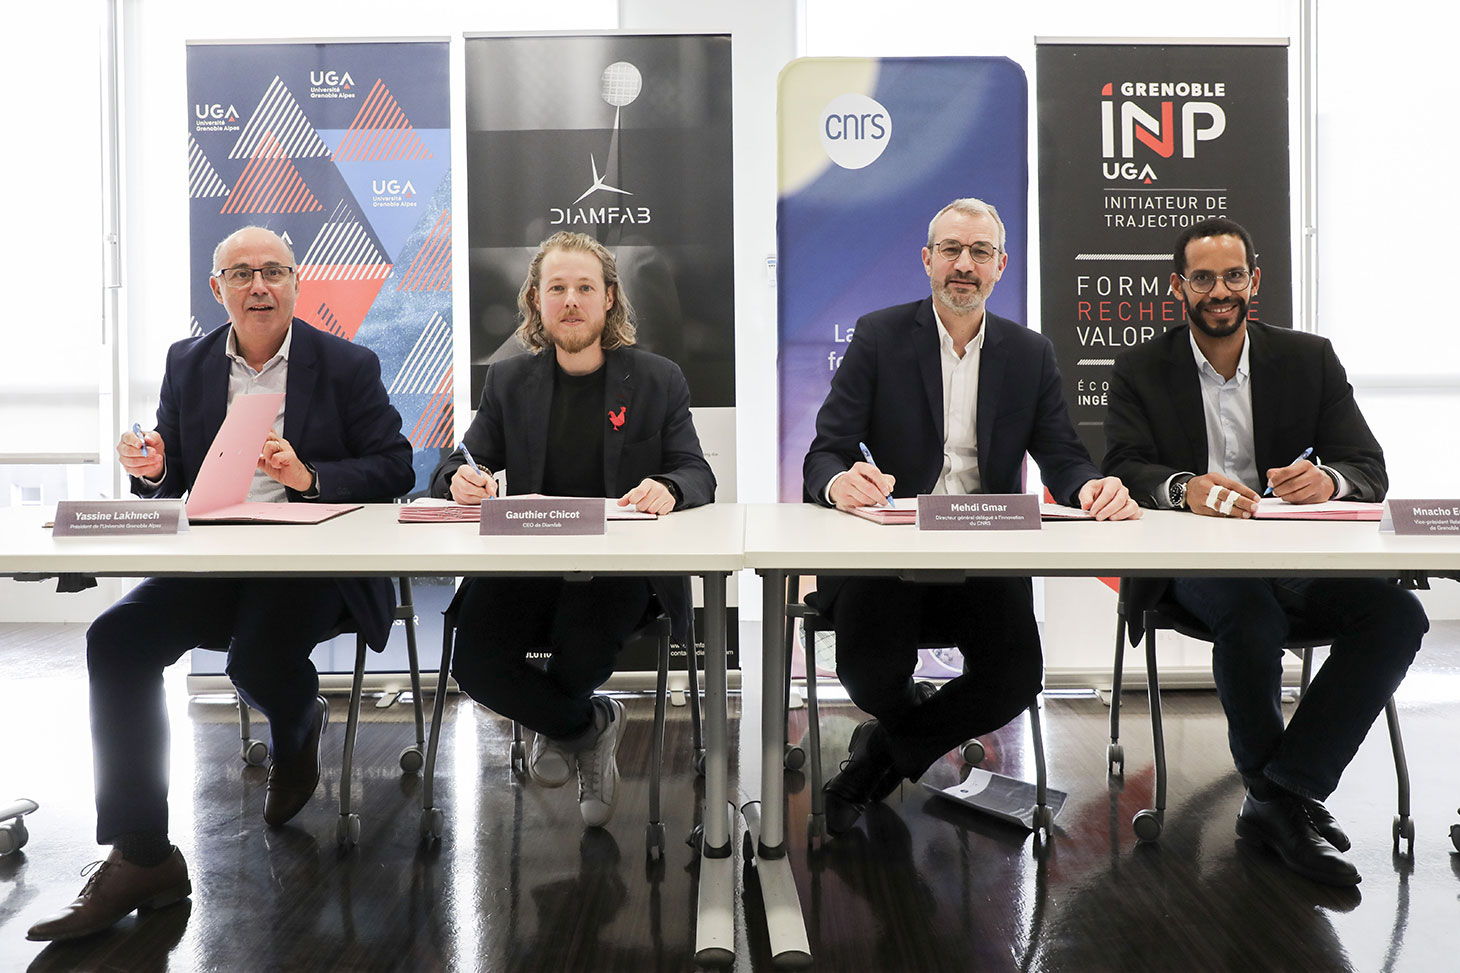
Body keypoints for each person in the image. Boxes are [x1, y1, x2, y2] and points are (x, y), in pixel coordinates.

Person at [27, 227, 414, 943]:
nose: (258, 284)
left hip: (314, 560)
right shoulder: (190, 362)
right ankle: (143, 854)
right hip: (213, 559)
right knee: (117, 639)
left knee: (257, 660)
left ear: (298, 281)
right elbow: (176, 477)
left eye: (273, 271)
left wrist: (311, 478)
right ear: (218, 289)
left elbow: (395, 466)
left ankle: (298, 723)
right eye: (241, 273)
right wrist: (151, 470)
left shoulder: (348, 364)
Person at [1103, 216, 1427, 886]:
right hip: (1197, 568)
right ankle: (1281, 803)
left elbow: (1366, 464)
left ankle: (1280, 791)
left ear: (1255, 280)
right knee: (1250, 611)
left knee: (1399, 616)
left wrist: (1329, 479)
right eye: (1202, 278)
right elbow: (1122, 464)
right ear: (1178, 287)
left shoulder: (1309, 358)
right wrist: (1183, 486)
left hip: (1296, 556)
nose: (1218, 290)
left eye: (1231, 275)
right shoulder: (1141, 368)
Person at [802, 197, 1140, 838]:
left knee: (1014, 676)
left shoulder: (1030, 352)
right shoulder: (878, 336)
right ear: (927, 260)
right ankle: (907, 730)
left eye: (979, 252)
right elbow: (827, 450)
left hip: (987, 554)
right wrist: (839, 480)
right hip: (890, 556)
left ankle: (878, 757)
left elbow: (1064, 457)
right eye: (951, 250)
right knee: (869, 674)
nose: (964, 264)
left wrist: (1092, 488)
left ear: (1001, 266)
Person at [429, 231, 715, 828]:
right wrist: (461, 479)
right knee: (473, 661)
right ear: (536, 301)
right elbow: (460, 461)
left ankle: (560, 727)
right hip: (527, 564)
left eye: (585, 287)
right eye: (556, 288)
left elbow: (696, 471)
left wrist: (669, 487)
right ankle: (588, 726)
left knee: (580, 645)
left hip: (618, 572)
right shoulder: (509, 382)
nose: (571, 301)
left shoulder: (659, 379)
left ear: (610, 299)